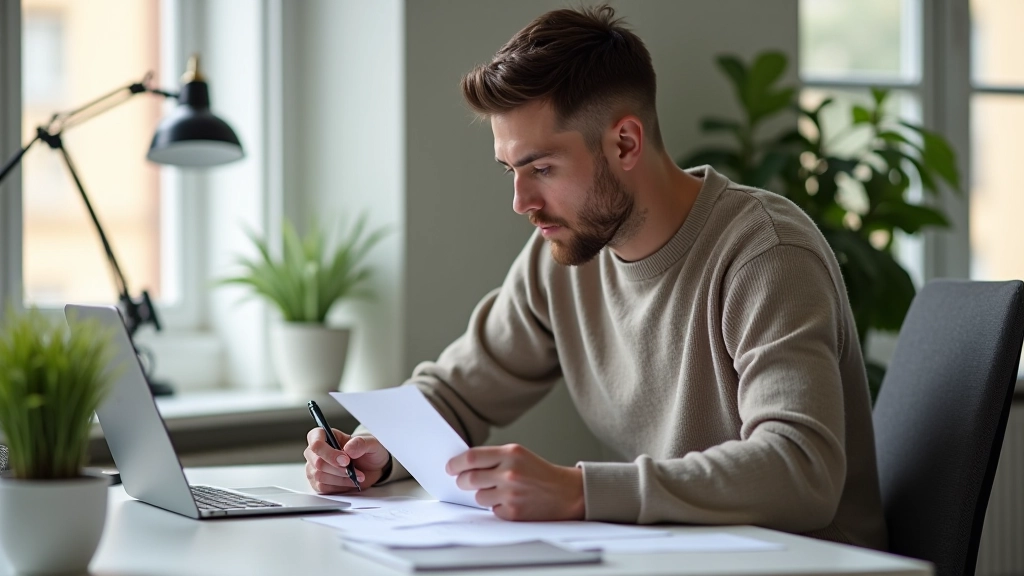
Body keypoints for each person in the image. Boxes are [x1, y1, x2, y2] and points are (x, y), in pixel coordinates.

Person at [303, 4, 887, 551]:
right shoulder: (560, 257)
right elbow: (455, 393)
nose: (520, 201)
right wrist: (376, 446)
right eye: (511, 169)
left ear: (626, 142)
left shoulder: (764, 253)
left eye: (543, 168)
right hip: (673, 558)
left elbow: (800, 470)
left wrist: (579, 490)